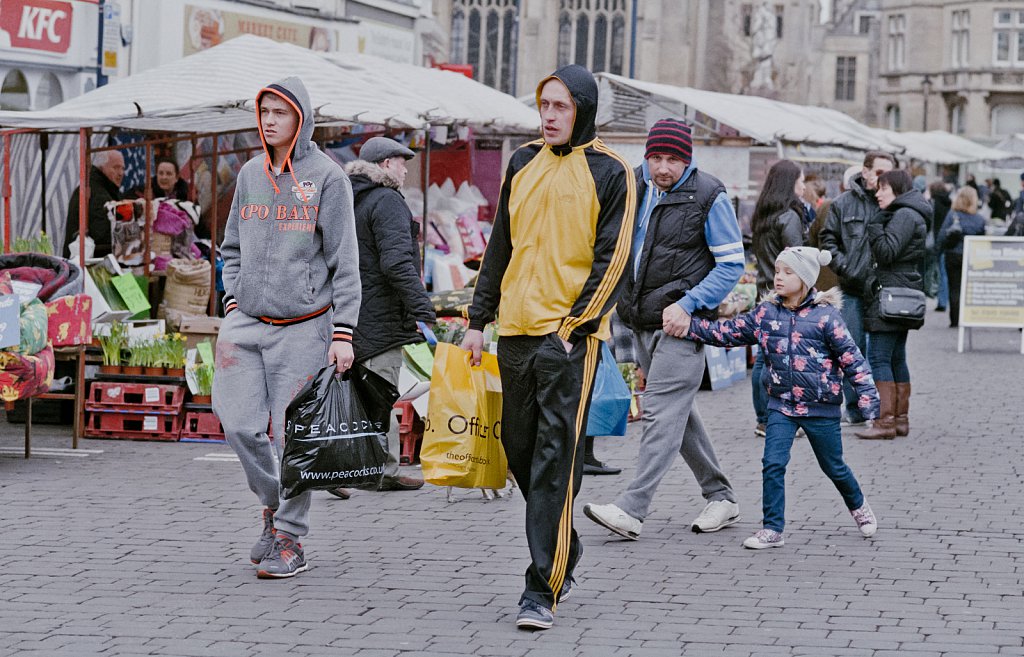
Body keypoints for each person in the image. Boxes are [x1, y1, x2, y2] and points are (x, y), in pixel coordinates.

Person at [460, 65, 635, 630]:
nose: (550, 116)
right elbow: (500, 245)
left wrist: (575, 327)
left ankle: (542, 587)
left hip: (567, 340)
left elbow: (614, 260)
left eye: (560, 107)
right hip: (513, 330)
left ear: (582, 108)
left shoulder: (612, 171)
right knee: (520, 450)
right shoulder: (522, 161)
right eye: (544, 106)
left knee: (555, 462)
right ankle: (564, 545)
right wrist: (477, 319)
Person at [212, 76, 361, 579]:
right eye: (266, 111)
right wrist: (232, 300)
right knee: (237, 423)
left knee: (292, 439)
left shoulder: (328, 178)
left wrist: (344, 333)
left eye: (281, 112)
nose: (271, 119)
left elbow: (346, 263)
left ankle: (290, 539)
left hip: (304, 327)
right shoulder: (251, 173)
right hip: (246, 323)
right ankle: (274, 507)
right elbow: (230, 245)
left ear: (302, 118)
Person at [583, 117, 745, 541]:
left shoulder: (710, 195)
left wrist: (689, 304)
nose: (663, 167)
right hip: (639, 319)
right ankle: (722, 496)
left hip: (683, 324)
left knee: (659, 413)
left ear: (688, 158)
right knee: (677, 413)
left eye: (673, 159)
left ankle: (632, 509)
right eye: (656, 157)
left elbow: (732, 264)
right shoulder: (634, 184)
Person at [687, 246, 880, 549]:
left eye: (788, 272)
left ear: (804, 278)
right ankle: (772, 528)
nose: (779, 277)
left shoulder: (826, 317)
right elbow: (730, 331)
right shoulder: (766, 313)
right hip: (782, 406)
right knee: (772, 463)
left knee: (834, 466)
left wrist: (867, 397)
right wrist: (691, 327)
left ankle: (858, 506)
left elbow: (852, 359)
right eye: (777, 271)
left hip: (821, 408)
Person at [338, 136, 435, 493]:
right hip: (381, 312)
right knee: (381, 393)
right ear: (383, 165)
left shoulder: (351, 199)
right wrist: (422, 307)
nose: (405, 168)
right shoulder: (388, 201)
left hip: (350, 310)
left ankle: (351, 466)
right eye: (399, 161)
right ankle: (380, 470)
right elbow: (397, 262)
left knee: (359, 393)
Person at [819, 150, 896, 427]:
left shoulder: (893, 203)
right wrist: (846, 267)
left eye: (888, 173)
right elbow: (827, 240)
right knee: (851, 350)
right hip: (851, 287)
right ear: (864, 171)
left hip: (884, 290)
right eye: (878, 172)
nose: (883, 178)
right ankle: (854, 408)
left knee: (883, 353)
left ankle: (884, 409)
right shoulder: (843, 203)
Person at [855, 169, 928, 440]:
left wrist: (875, 226)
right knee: (897, 356)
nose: (877, 194)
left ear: (896, 190)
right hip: (901, 292)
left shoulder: (904, 215)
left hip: (891, 293)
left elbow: (887, 251)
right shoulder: (910, 213)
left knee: (880, 357)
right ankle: (899, 419)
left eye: (882, 189)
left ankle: (884, 421)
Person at [749, 159, 806, 436]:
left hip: (764, 290)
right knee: (775, 359)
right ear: (790, 184)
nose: (804, 187)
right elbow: (798, 258)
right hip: (784, 293)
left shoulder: (764, 214)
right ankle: (772, 419)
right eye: (801, 181)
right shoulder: (789, 216)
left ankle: (763, 417)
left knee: (764, 356)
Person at [938, 186, 986, 328]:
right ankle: (968, 317)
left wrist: (939, 251)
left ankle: (954, 319)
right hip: (970, 255)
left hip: (953, 254)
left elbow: (942, 235)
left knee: (954, 287)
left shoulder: (952, 215)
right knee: (968, 288)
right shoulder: (979, 219)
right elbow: (982, 241)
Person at [64, 150, 124, 258]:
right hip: (91, 266)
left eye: (122, 168)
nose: (121, 173)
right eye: (116, 167)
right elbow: (101, 235)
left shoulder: (100, 189)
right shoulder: (97, 194)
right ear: (102, 168)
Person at [928, 181, 952, 312]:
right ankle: (944, 299)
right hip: (948, 242)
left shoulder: (932, 203)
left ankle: (940, 300)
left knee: (938, 272)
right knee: (944, 274)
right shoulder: (951, 203)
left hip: (935, 241)